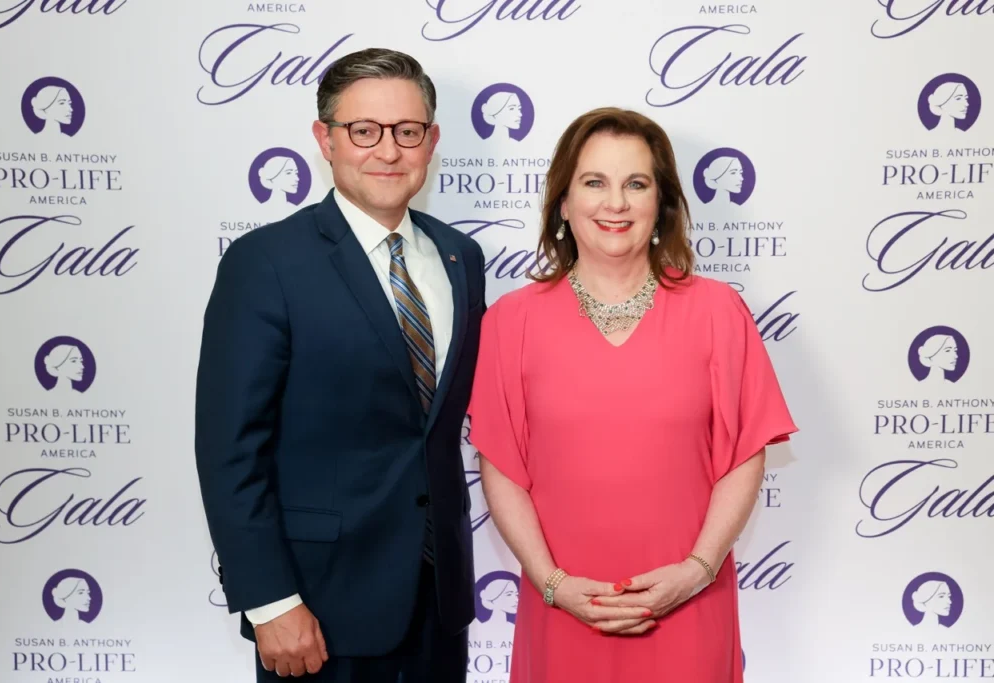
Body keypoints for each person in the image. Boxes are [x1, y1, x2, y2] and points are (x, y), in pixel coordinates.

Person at [467, 107, 797, 682]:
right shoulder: (510, 321)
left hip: (689, 604)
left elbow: (745, 456)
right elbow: (501, 467)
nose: (615, 203)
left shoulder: (718, 311)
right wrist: (553, 583)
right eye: (594, 182)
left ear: (661, 202)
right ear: (563, 203)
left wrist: (696, 571)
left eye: (636, 184)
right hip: (564, 608)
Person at [194, 48, 487, 682]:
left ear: (432, 140)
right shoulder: (265, 263)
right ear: (325, 140)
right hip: (317, 609)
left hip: (439, 604)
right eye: (364, 131)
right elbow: (229, 451)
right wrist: (270, 601)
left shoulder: (460, 256)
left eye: (407, 131)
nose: (389, 151)